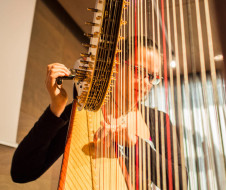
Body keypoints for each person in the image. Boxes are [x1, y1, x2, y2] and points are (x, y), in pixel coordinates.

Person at [11, 38, 184, 189]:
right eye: (139, 70)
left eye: (152, 77)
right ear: (117, 64)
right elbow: (21, 172)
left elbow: (180, 183)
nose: (146, 82)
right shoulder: (82, 111)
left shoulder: (159, 120)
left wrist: (135, 145)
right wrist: (55, 108)